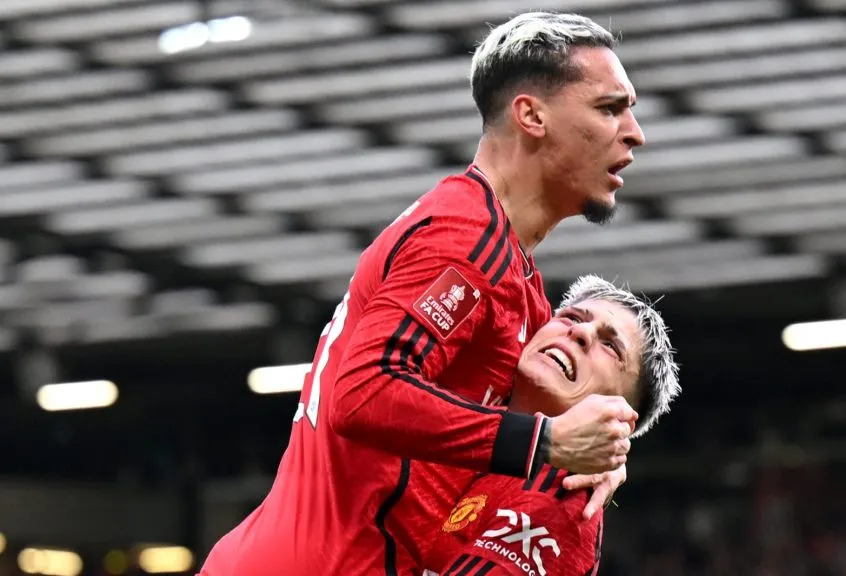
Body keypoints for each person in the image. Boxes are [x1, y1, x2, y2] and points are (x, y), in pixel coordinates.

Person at [200, 11, 646, 576]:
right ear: (532, 116)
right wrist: (547, 443)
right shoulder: (465, 239)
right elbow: (364, 392)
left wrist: (603, 452)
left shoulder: (519, 286)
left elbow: (544, 408)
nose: (635, 132)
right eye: (610, 108)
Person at [423, 275, 680, 576]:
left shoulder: (564, 495)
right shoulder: (448, 400)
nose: (580, 331)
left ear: (619, 415)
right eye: (571, 316)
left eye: (610, 346)